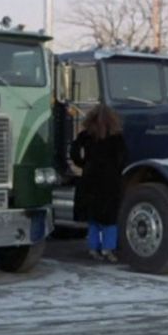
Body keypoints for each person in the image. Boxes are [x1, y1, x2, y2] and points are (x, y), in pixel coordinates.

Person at [70, 104, 127, 262]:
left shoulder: (86, 135)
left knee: (93, 218)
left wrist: (82, 163)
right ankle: (108, 249)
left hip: (90, 178)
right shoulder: (117, 137)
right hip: (110, 181)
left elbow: (73, 151)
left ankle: (93, 248)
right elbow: (123, 158)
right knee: (110, 219)